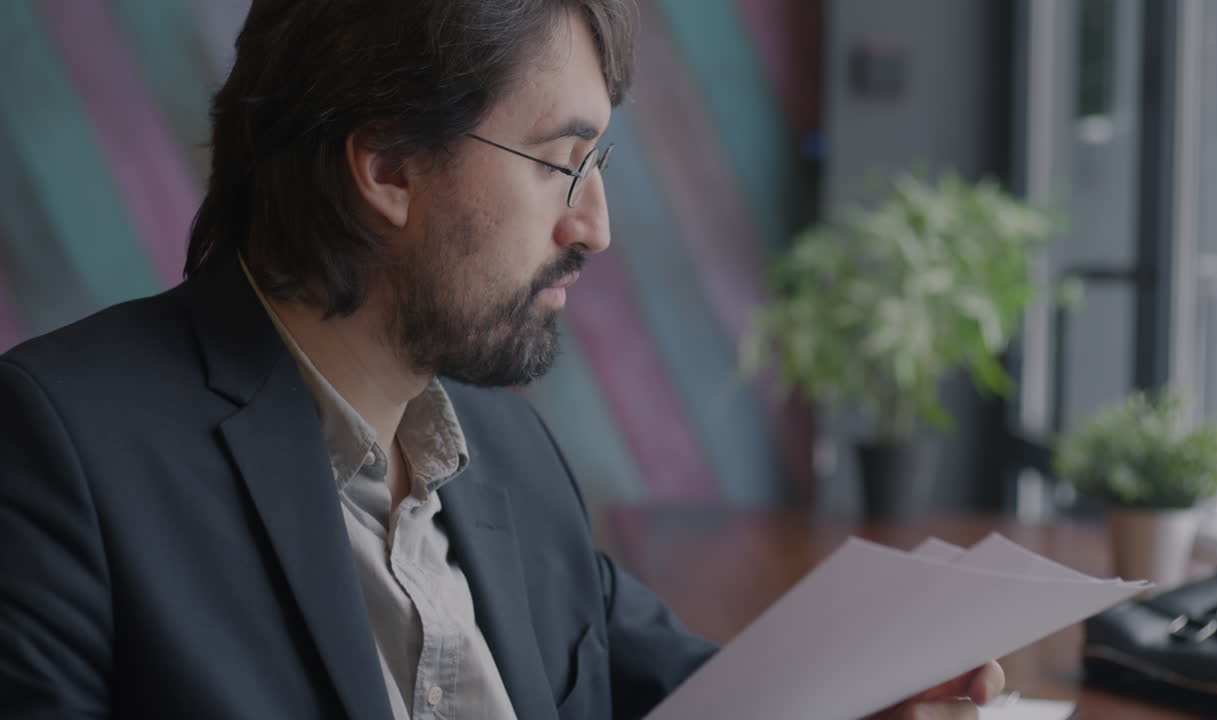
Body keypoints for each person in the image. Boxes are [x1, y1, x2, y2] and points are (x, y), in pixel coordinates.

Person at [0, 1, 1003, 718]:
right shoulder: (61, 454)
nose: (595, 226)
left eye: (597, 165)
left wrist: (868, 703)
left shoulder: (510, 453)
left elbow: (679, 692)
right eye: (562, 163)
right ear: (387, 167)